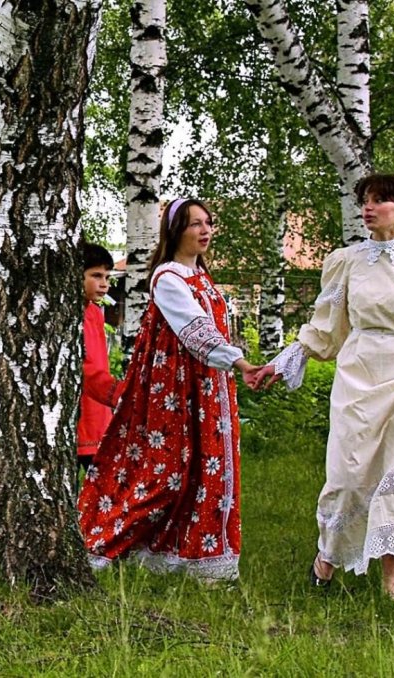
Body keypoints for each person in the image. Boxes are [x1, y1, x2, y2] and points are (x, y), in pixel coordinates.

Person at [254, 174, 394, 599]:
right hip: (357, 372)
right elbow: (325, 327)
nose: (368, 208)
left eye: (379, 201)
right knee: (348, 474)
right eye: (365, 201)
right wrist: (285, 361)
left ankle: (392, 586)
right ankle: (327, 560)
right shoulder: (346, 261)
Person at [77, 198, 262, 581]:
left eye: (208, 223)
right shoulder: (168, 277)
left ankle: (192, 555)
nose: (205, 230)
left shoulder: (202, 278)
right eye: (196, 224)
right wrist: (239, 361)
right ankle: (104, 541)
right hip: (176, 387)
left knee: (204, 467)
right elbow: (195, 329)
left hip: (209, 384)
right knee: (166, 472)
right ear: (177, 230)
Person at [77, 243, 116, 487]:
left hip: (99, 406)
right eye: (96, 276)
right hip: (81, 406)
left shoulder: (95, 312)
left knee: (104, 483)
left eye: (107, 277)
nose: (104, 284)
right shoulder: (72, 314)